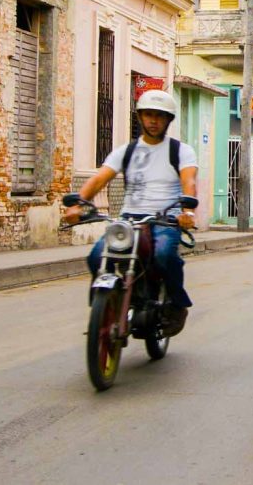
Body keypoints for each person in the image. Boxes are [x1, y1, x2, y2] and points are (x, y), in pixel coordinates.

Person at [64, 89, 198, 336]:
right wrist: (78, 203)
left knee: (164, 255)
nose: (153, 121)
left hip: (164, 219)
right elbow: (99, 178)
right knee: (96, 257)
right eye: (148, 115)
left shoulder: (181, 151)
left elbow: (189, 182)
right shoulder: (126, 151)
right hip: (128, 219)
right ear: (140, 117)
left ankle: (178, 305)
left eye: (159, 116)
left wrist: (187, 211)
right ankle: (106, 308)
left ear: (168, 120)